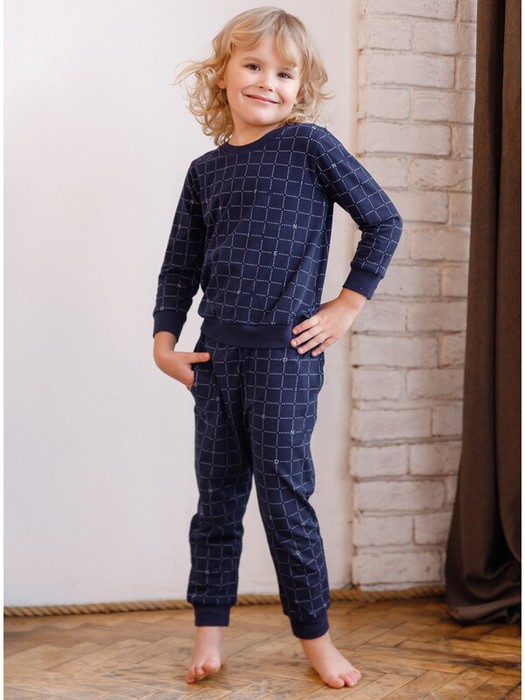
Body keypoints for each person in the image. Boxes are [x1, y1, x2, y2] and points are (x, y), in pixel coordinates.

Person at [153, 6, 402, 689]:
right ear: (222, 75)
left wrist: (346, 305)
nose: (269, 81)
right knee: (216, 503)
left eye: (285, 73)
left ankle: (315, 639)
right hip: (214, 360)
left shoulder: (309, 146)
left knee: (285, 502)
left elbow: (382, 219)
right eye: (253, 65)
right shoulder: (205, 171)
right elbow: (179, 266)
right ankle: (209, 636)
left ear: (300, 87)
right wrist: (165, 344)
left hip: (284, 360)